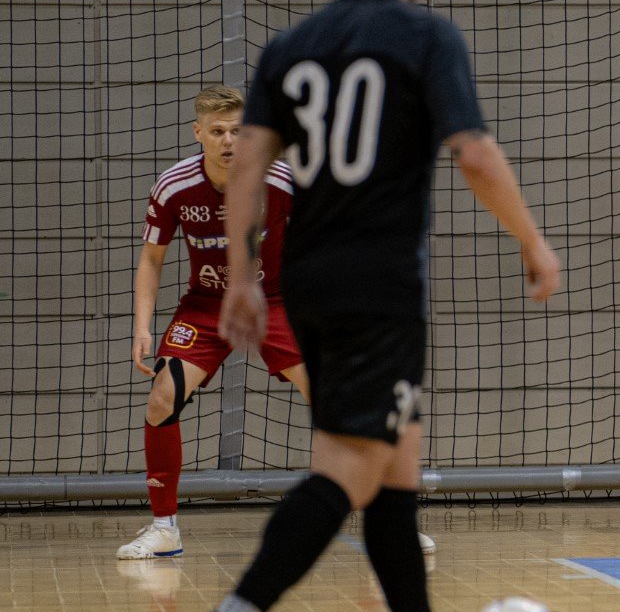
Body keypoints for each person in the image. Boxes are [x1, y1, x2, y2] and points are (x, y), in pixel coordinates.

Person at [177, 0, 560, 612]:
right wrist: (533, 242)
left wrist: (242, 278)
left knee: (395, 465)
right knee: (350, 468)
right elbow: (474, 153)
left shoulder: (292, 46)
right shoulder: (427, 36)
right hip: (378, 287)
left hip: (307, 281)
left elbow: (247, 166)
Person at [122, 87, 434, 561]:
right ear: (198, 133)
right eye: (218, 131)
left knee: (338, 402)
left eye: (239, 131)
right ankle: (165, 528)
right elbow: (151, 258)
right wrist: (143, 326)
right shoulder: (174, 186)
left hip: (277, 303)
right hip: (207, 306)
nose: (229, 141)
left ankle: (385, 523)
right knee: (162, 396)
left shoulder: (282, 180)